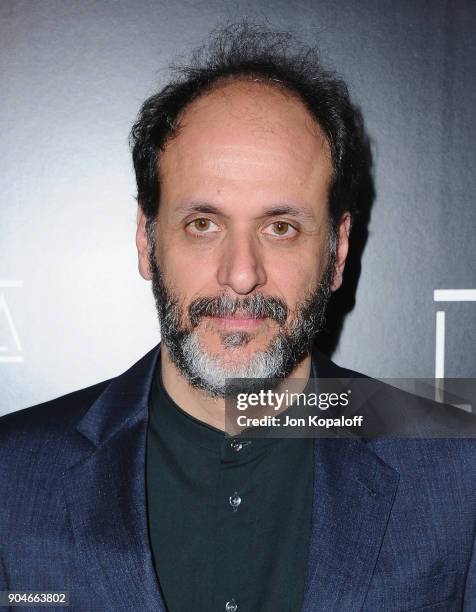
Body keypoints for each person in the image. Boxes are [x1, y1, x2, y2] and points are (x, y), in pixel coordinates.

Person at [0, 22, 475, 612]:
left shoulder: (457, 472)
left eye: (281, 227)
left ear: (338, 252)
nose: (241, 274)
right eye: (204, 224)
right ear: (147, 241)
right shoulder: (11, 477)